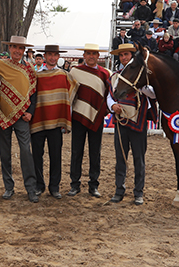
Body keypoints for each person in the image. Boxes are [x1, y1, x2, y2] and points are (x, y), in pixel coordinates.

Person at [0, 36, 40, 203]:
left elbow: (33, 94)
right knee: (5, 153)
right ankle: (8, 187)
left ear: (24, 50)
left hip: (22, 117)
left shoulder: (30, 70)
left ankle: (31, 188)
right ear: (9, 48)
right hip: (3, 114)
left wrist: (30, 112)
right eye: (14, 47)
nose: (17, 51)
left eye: (20, 48)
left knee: (26, 151)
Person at [107, 43, 157, 206]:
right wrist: (112, 106)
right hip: (121, 122)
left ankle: (138, 192)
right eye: (121, 55)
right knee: (120, 158)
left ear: (132, 56)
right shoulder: (115, 76)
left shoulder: (143, 75)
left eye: (126, 54)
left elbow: (153, 93)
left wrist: (139, 85)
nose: (123, 58)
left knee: (139, 158)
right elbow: (110, 96)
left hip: (138, 121)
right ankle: (119, 190)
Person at [30, 44, 74, 199]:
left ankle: (54, 187)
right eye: (50, 54)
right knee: (37, 155)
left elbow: (70, 94)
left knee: (56, 156)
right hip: (38, 120)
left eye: (55, 55)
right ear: (45, 56)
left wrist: (65, 118)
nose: (53, 58)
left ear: (58, 57)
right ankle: (39, 186)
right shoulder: (36, 75)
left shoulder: (63, 75)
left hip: (56, 122)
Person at [66, 43, 110, 198]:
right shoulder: (75, 71)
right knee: (76, 151)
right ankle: (74, 184)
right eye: (88, 53)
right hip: (78, 117)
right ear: (83, 55)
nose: (91, 56)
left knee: (95, 152)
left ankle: (93, 185)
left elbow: (108, 96)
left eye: (94, 53)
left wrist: (104, 111)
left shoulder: (105, 73)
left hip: (96, 118)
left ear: (99, 56)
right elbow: (69, 94)